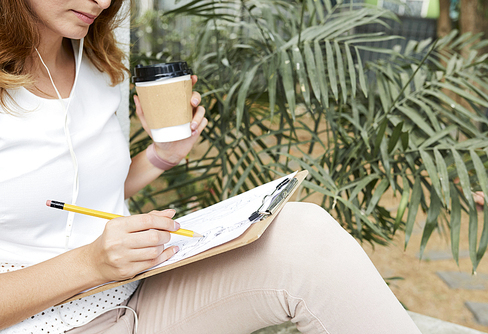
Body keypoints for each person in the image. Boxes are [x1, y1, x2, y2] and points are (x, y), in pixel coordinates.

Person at [0, 0, 422, 333]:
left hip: (135, 297)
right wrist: (89, 263)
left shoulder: (99, 58)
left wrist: (161, 157)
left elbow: (77, 197)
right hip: (41, 323)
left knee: (302, 235)